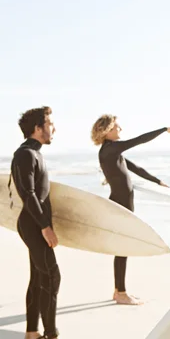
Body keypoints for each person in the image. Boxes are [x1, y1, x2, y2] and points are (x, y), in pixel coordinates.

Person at [90, 115, 170, 305]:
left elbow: (135, 168)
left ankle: (118, 290)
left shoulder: (111, 151)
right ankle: (121, 292)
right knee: (122, 247)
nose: (120, 127)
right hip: (120, 204)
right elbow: (139, 140)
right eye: (116, 126)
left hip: (121, 203)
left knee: (122, 247)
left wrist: (158, 182)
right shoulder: (110, 149)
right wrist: (163, 129)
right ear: (108, 130)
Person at [9, 106, 60, 339]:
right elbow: (27, 193)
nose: (53, 128)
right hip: (32, 225)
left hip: (36, 223)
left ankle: (32, 333)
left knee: (40, 277)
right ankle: (50, 334)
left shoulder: (34, 153)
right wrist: (45, 226)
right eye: (49, 124)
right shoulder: (25, 154)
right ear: (38, 128)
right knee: (51, 275)